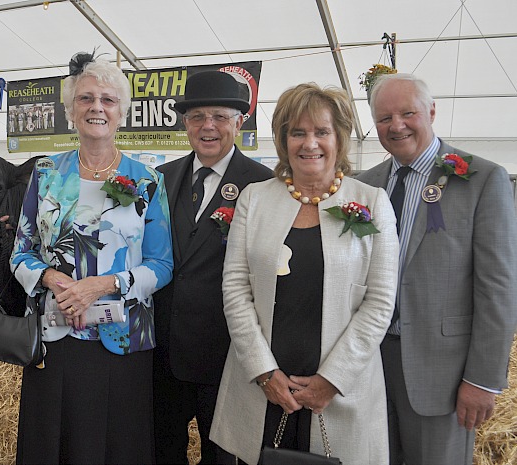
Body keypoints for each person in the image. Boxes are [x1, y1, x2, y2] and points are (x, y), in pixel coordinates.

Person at [209, 83, 399, 465]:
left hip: (339, 392)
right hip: (263, 388)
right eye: (298, 132)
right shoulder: (255, 198)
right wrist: (264, 372)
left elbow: (380, 302)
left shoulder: (371, 201)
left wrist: (333, 380)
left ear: (339, 138)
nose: (309, 143)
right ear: (283, 140)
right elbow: (235, 289)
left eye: (321, 132)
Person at [10, 52, 173, 465]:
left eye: (107, 99)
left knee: (118, 447)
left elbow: (162, 265)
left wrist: (102, 285)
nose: (96, 107)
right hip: (56, 334)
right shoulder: (46, 172)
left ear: (122, 113)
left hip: (124, 338)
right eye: (85, 99)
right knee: (54, 444)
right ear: (70, 111)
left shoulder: (147, 179)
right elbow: (20, 253)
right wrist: (54, 281)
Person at [356, 73, 517, 465]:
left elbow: (498, 287)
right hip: (368, 367)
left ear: (431, 111)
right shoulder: (363, 186)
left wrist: (481, 380)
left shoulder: (481, 179)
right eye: (383, 118)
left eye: (407, 113)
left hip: (442, 374)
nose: (396, 126)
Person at [152, 70, 273, 464]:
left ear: (239, 122)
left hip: (226, 357)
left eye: (220, 116)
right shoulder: (161, 179)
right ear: (185, 123)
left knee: (221, 456)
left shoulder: (262, 185)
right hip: (162, 353)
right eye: (197, 116)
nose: (208, 126)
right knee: (162, 448)